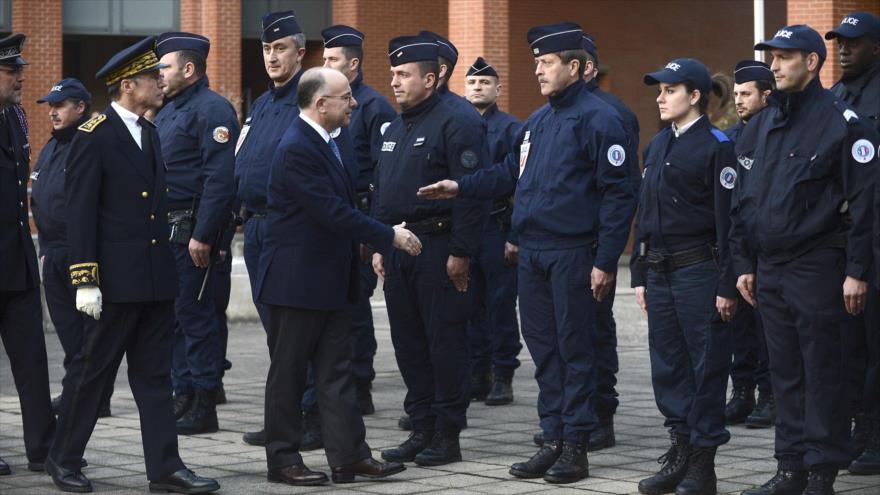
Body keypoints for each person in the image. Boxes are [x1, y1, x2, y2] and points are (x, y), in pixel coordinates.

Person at [419, 22, 638, 483]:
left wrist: (606, 260)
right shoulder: (538, 121)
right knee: (544, 350)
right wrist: (461, 186)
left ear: (575, 67)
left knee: (574, 349)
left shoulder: (600, 119)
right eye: (536, 62)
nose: (537, 71)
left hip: (573, 252)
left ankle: (576, 445)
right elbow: (508, 174)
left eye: (546, 63)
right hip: (533, 252)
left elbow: (620, 195)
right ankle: (553, 437)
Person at [45, 36, 219, 494]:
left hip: (154, 279)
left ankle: (165, 469)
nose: (161, 83)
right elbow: (80, 212)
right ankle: (63, 458)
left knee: (155, 378)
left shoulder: (149, 131)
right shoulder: (94, 135)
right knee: (91, 374)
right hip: (115, 283)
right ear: (127, 85)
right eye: (152, 77)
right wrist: (85, 278)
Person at [731, 25, 879, 495]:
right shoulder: (763, 124)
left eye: (784, 58)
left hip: (818, 265)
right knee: (785, 373)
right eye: (771, 58)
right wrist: (744, 263)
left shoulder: (844, 123)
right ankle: (790, 467)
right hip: (771, 268)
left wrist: (857, 271)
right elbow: (745, 201)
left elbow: (866, 206)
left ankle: (820, 472)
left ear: (811, 62)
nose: (774, 66)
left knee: (822, 372)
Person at [255, 66, 415, 487]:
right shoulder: (297, 147)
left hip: (328, 280)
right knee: (289, 374)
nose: (354, 103)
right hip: (296, 283)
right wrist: (387, 236)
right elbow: (331, 211)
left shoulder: (326, 140)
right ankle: (282, 459)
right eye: (346, 97)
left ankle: (349, 457)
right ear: (321, 103)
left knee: (337, 373)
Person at [372, 35, 489, 467]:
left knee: (444, 343)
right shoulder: (396, 125)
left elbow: (472, 193)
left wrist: (461, 251)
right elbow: (383, 190)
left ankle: (446, 433)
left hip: (439, 247)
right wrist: (380, 241)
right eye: (393, 74)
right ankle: (421, 427)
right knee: (409, 343)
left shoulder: (458, 120)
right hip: (399, 248)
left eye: (403, 75)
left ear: (431, 78)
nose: (395, 82)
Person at [630, 58, 737, 495]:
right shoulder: (658, 145)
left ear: (694, 96)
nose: (660, 97)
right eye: (659, 90)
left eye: (669, 90)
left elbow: (729, 223)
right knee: (669, 366)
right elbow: (645, 212)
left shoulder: (717, 146)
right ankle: (679, 450)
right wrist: (639, 271)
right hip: (660, 270)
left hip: (699, 271)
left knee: (705, 367)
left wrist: (728, 283)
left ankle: (702, 463)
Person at [234, 10, 319, 449]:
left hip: (289, 230)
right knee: (274, 333)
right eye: (266, 48)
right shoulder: (264, 104)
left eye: (280, 48)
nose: (271, 56)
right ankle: (283, 418)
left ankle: (309, 416)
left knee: (296, 332)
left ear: (300, 53)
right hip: (256, 228)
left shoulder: (309, 100)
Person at [153, 31, 239, 435]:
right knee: (174, 318)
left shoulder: (212, 109)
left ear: (189, 69)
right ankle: (183, 393)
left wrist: (204, 234)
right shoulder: (168, 110)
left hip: (191, 231)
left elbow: (219, 179)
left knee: (197, 318)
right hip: (167, 231)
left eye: (164, 67)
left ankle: (205, 402)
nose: (158, 74)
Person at [321, 24, 397, 415]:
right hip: (334, 216)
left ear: (353, 64)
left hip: (362, 213)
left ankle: (361, 382)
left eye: (333, 59)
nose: (325, 65)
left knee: (356, 303)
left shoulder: (374, 106)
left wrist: (375, 230)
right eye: (323, 59)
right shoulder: (323, 103)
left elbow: (385, 172)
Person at [31, 78, 115, 420]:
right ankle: (78, 390)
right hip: (52, 252)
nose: (52, 112)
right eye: (50, 106)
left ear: (80, 107)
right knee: (68, 332)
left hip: (80, 252)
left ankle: (92, 397)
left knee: (88, 335)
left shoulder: (90, 144)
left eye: (60, 105)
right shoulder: (51, 147)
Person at [825, 11, 880, 474]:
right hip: (841, 237)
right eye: (840, 42)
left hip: (876, 232)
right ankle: (859, 425)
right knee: (848, 342)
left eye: (854, 42)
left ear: (876, 47)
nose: (844, 49)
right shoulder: (834, 95)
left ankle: (875, 432)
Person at [0, 32, 56, 478]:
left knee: (33, 361)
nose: (20, 78)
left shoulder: (16, 116)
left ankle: (44, 448)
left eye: (19, 70)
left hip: (17, 260)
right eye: (10, 70)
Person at [462, 56, 522, 406]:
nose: (478, 87)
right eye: (472, 82)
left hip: (498, 226)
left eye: (485, 83)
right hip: (466, 228)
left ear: (498, 89)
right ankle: (477, 373)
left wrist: (515, 234)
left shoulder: (513, 129)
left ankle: (503, 375)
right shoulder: (456, 125)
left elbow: (521, 185)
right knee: (469, 303)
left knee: (500, 304)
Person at [722, 60, 776, 429]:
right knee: (739, 324)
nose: (739, 100)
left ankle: (769, 394)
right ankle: (742, 392)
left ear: (766, 96)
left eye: (746, 94)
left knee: (765, 326)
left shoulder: (776, 134)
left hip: (766, 246)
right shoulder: (728, 138)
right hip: (735, 243)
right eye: (736, 94)